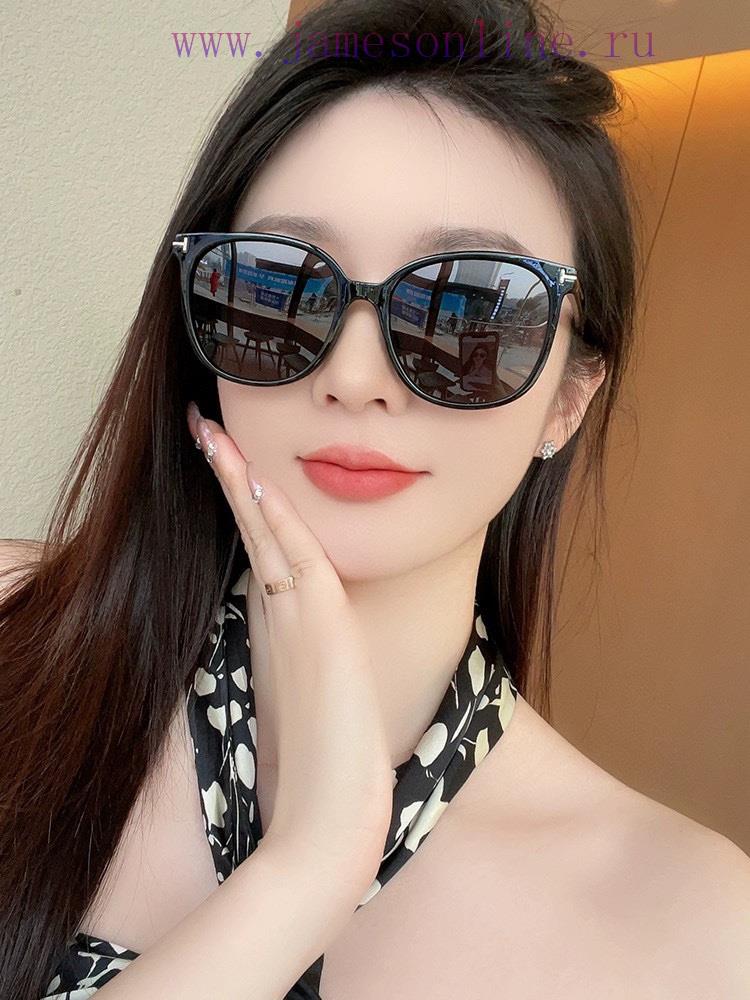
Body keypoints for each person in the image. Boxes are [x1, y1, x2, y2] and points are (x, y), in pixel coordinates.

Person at [1, 0, 748, 997]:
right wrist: (307, 866)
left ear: (569, 398)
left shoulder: (692, 927)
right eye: (278, 286)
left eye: (469, 313)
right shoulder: (13, 635)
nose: (355, 377)